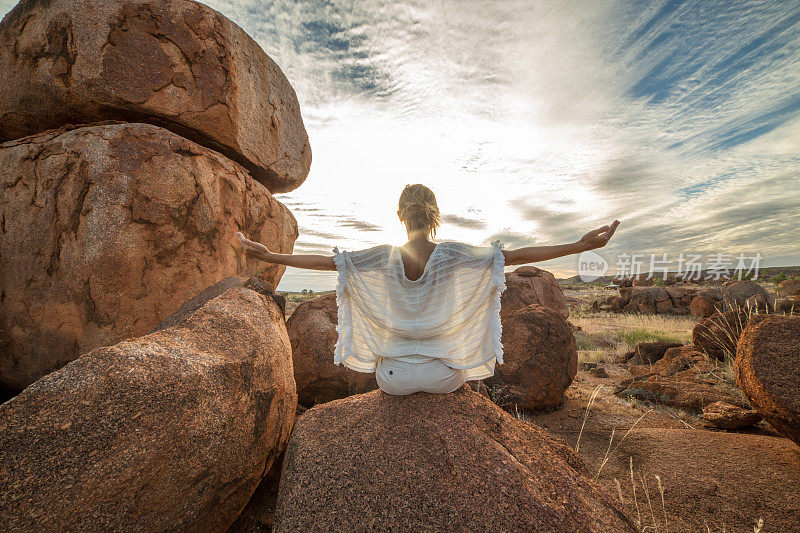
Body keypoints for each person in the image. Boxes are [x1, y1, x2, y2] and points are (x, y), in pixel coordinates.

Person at [236, 184, 619, 396]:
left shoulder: (383, 256)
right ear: (435, 214)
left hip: (391, 378)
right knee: (462, 382)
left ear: (400, 215)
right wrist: (581, 246)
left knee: (394, 371)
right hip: (442, 377)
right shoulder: (452, 254)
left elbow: (327, 262)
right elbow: (517, 255)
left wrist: (272, 254)